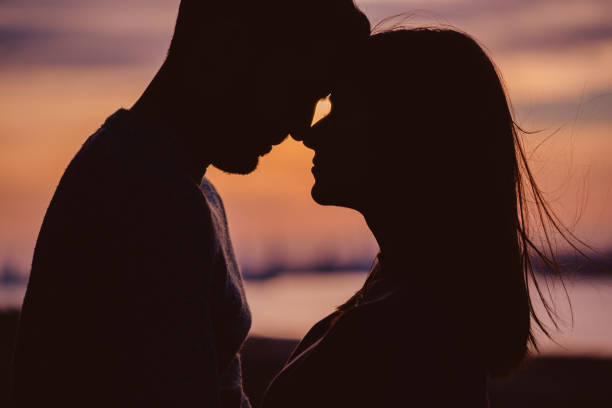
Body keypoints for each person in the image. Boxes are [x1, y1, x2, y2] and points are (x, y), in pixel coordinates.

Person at [11, 1, 370, 407]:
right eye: (298, 89)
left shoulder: (167, 182)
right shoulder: (149, 199)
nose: (300, 125)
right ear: (226, 48)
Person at [262, 28, 583, 407]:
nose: (311, 134)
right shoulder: (409, 307)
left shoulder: (395, 336)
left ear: (404, 133)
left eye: (342, 109)